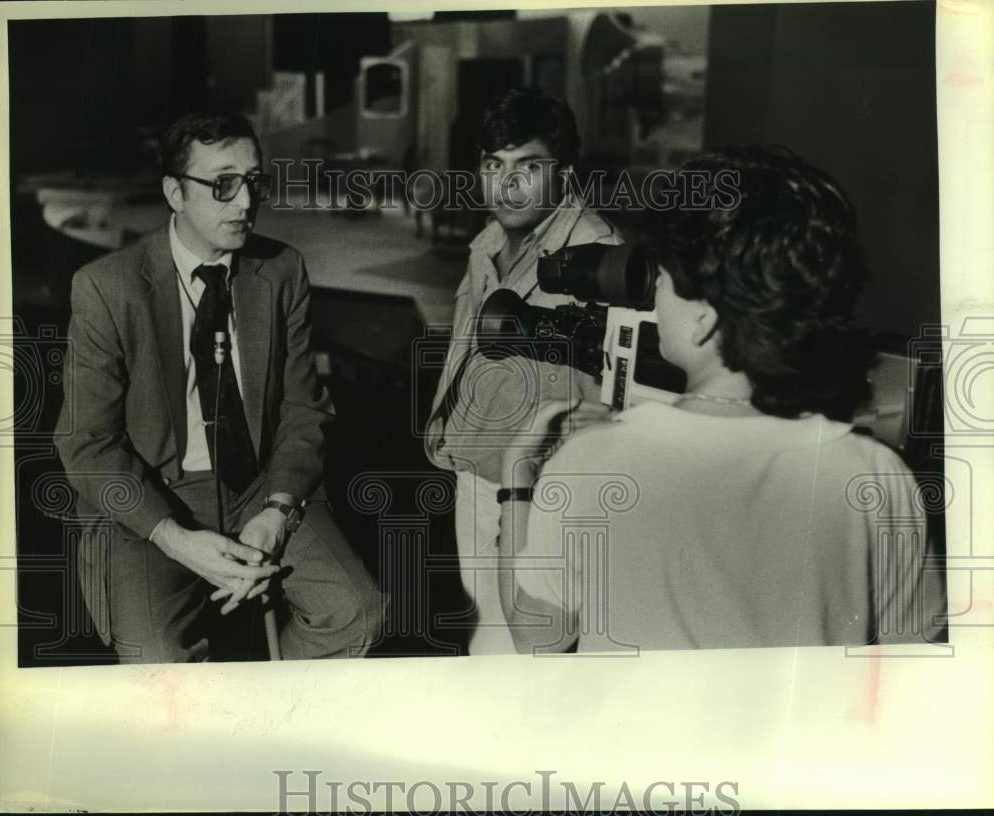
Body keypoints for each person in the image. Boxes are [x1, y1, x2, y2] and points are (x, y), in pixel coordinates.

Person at [496, 146, 946, 654]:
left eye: (661, 280)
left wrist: (519, 481)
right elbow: (917, 660)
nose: (654, 294)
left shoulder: (592, 463)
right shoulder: (878, 474)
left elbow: (538, 637)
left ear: (704, 318)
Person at [54, 112, 384, 663]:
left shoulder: (281, 271)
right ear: (174, 192)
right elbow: (86, 443)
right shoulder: (107, 287)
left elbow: (305, 407)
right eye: (223, 183)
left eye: (254, 181)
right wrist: (174, 538)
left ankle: (267, 722)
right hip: (157, 494)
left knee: (358, 613)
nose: (245, 202)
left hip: (260, 483)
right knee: (155, 659)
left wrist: (277, 511)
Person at [423, 88, 622, 654]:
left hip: (539, 486)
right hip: (476, 467)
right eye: (494, 165)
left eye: (528, 166)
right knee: (486, 637)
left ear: (564, 172)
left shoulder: (598, 256)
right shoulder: (487, 241)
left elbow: (609, 400)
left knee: (533, 652)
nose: (507, 184)